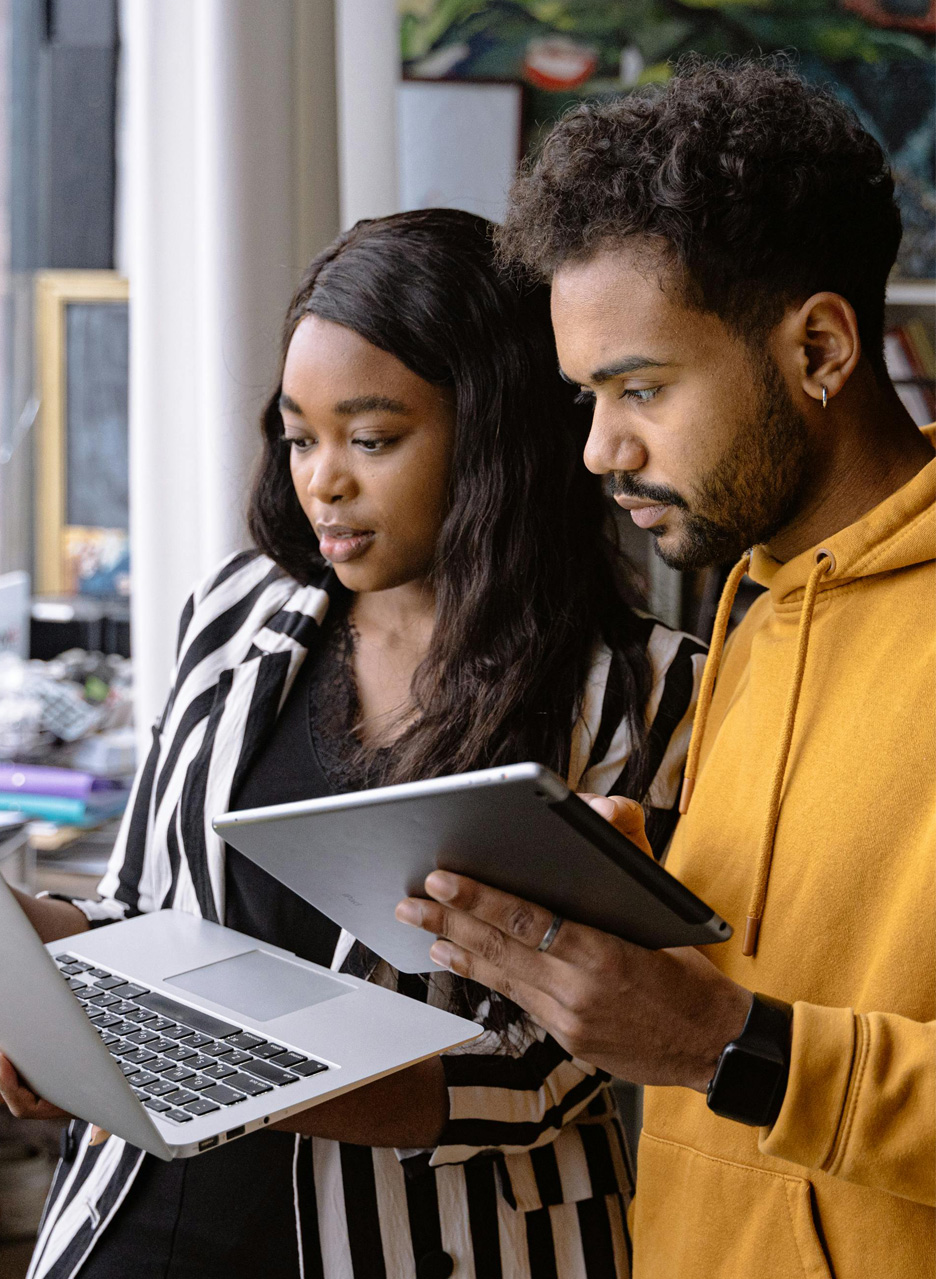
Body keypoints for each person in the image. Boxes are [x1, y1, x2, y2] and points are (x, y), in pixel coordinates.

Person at [2, 209, 706, 1279]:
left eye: (371, 438)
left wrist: (224, 1067)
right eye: (299, 435)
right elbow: (144, 911)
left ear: (496, 432)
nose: (321, 479)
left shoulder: (644, 691)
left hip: (445, 1244)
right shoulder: (246, 607)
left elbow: (552, 1071)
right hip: (138, 1228)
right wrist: (32, 952)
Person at [397, 61, 936, 1279]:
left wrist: (725, 1045)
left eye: (641, 388)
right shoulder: (754, 599)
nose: (599, 449)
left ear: (821, 348)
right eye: (587, 395)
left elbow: (745, 1044)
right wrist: (643, 910)